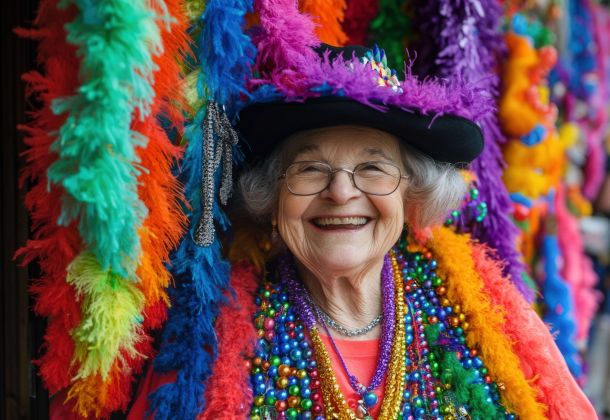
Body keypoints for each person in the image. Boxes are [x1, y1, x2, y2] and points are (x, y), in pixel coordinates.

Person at [123, 45, 595, 419]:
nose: (341, 192)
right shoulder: (204, 340)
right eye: (310, 169)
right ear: (270, 199)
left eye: (372, 167)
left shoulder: (490, 314)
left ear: (412, 194)